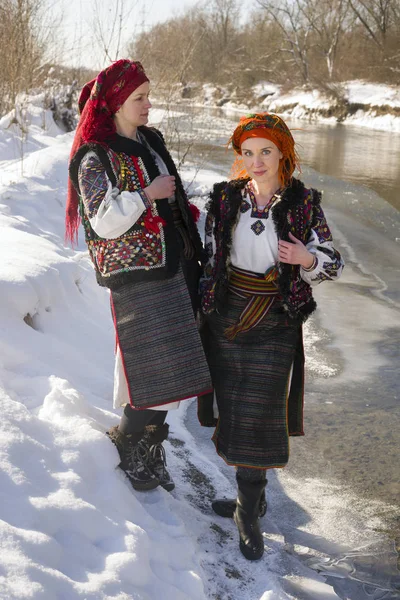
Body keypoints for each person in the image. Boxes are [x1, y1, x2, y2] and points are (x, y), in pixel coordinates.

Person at [198, 112, 344, 560]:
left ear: (284, 153)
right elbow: (209, 255)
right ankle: (252, 495)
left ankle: (247, 512)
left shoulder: (304, 204)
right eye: (247, 153)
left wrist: (305, 258)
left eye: (265, 152)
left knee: (260, 413)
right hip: (228, 317)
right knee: (234, 408)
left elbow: (333, 262)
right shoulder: (224, 200)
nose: (256, 161)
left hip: (276, 319)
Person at [66, 59, 212, 494]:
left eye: (149, 95)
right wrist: (148, 195)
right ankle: (127, 442)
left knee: (178, 368)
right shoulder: (95, 157)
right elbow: (104, 219)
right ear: (114, 103)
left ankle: (149, 446)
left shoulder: (149, 142)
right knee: (148, 371)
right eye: (139, 98)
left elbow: (177, 197)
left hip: (175, 266)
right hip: (136, 278)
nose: (149, 105)